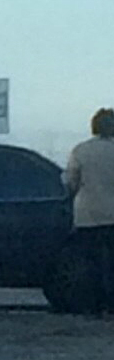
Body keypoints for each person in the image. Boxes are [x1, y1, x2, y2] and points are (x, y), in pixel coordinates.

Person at [64, 108, 114, 313]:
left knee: (90, 263)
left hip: (87, 216)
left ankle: (93, 306)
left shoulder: (80, 150)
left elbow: (71, 182)